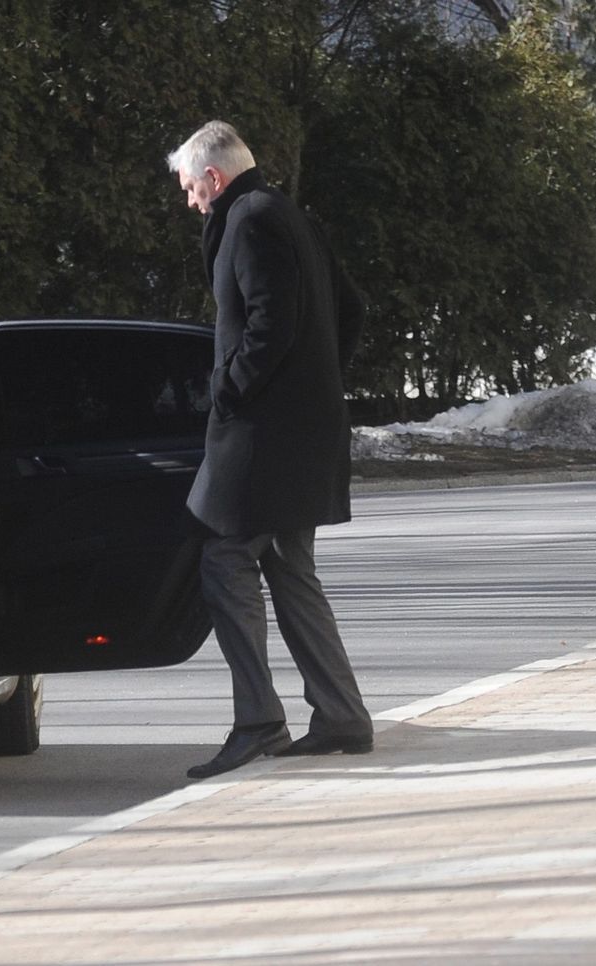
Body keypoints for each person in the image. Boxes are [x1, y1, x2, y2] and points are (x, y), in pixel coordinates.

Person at [166, 120, 374, 780]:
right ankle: (342, 715)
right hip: (302, 430)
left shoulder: (249, 218)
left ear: (213, 177)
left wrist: (228, 390)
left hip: (263, 435)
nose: (190, 202)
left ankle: (258, 721)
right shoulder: (288, 212)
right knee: (288, 565)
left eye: (190, 189)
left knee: (223, 557)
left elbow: (268, 322)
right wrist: (321, 385)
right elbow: (353, 308)